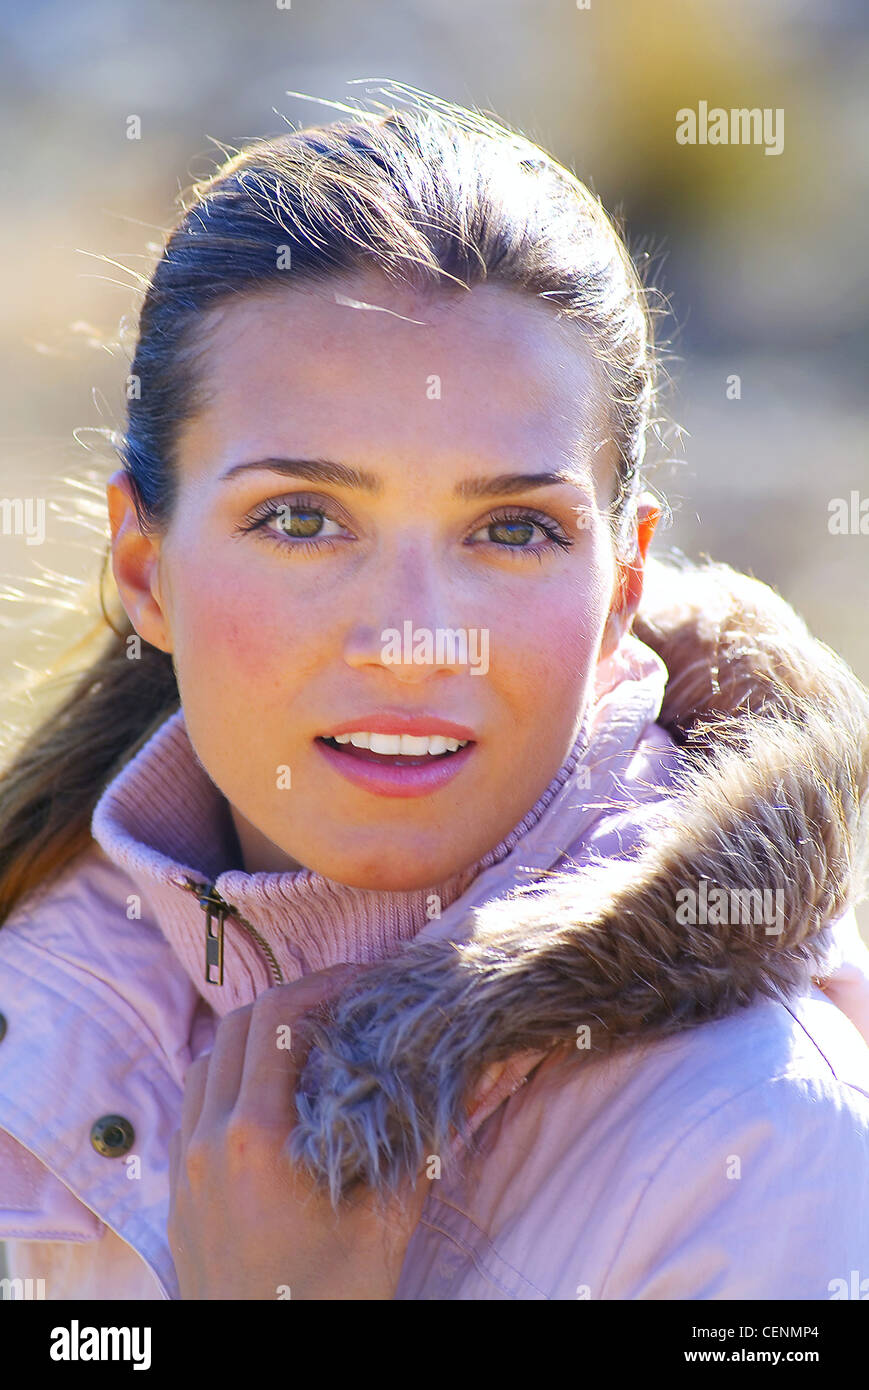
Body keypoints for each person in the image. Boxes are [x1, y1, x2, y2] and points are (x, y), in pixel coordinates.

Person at [1, 86, 869, 1301]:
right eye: (300, 520)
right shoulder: (24, 1017)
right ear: (145, 569)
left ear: (621, 582)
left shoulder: (760, 1141)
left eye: (509, 530)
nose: (411, 642)